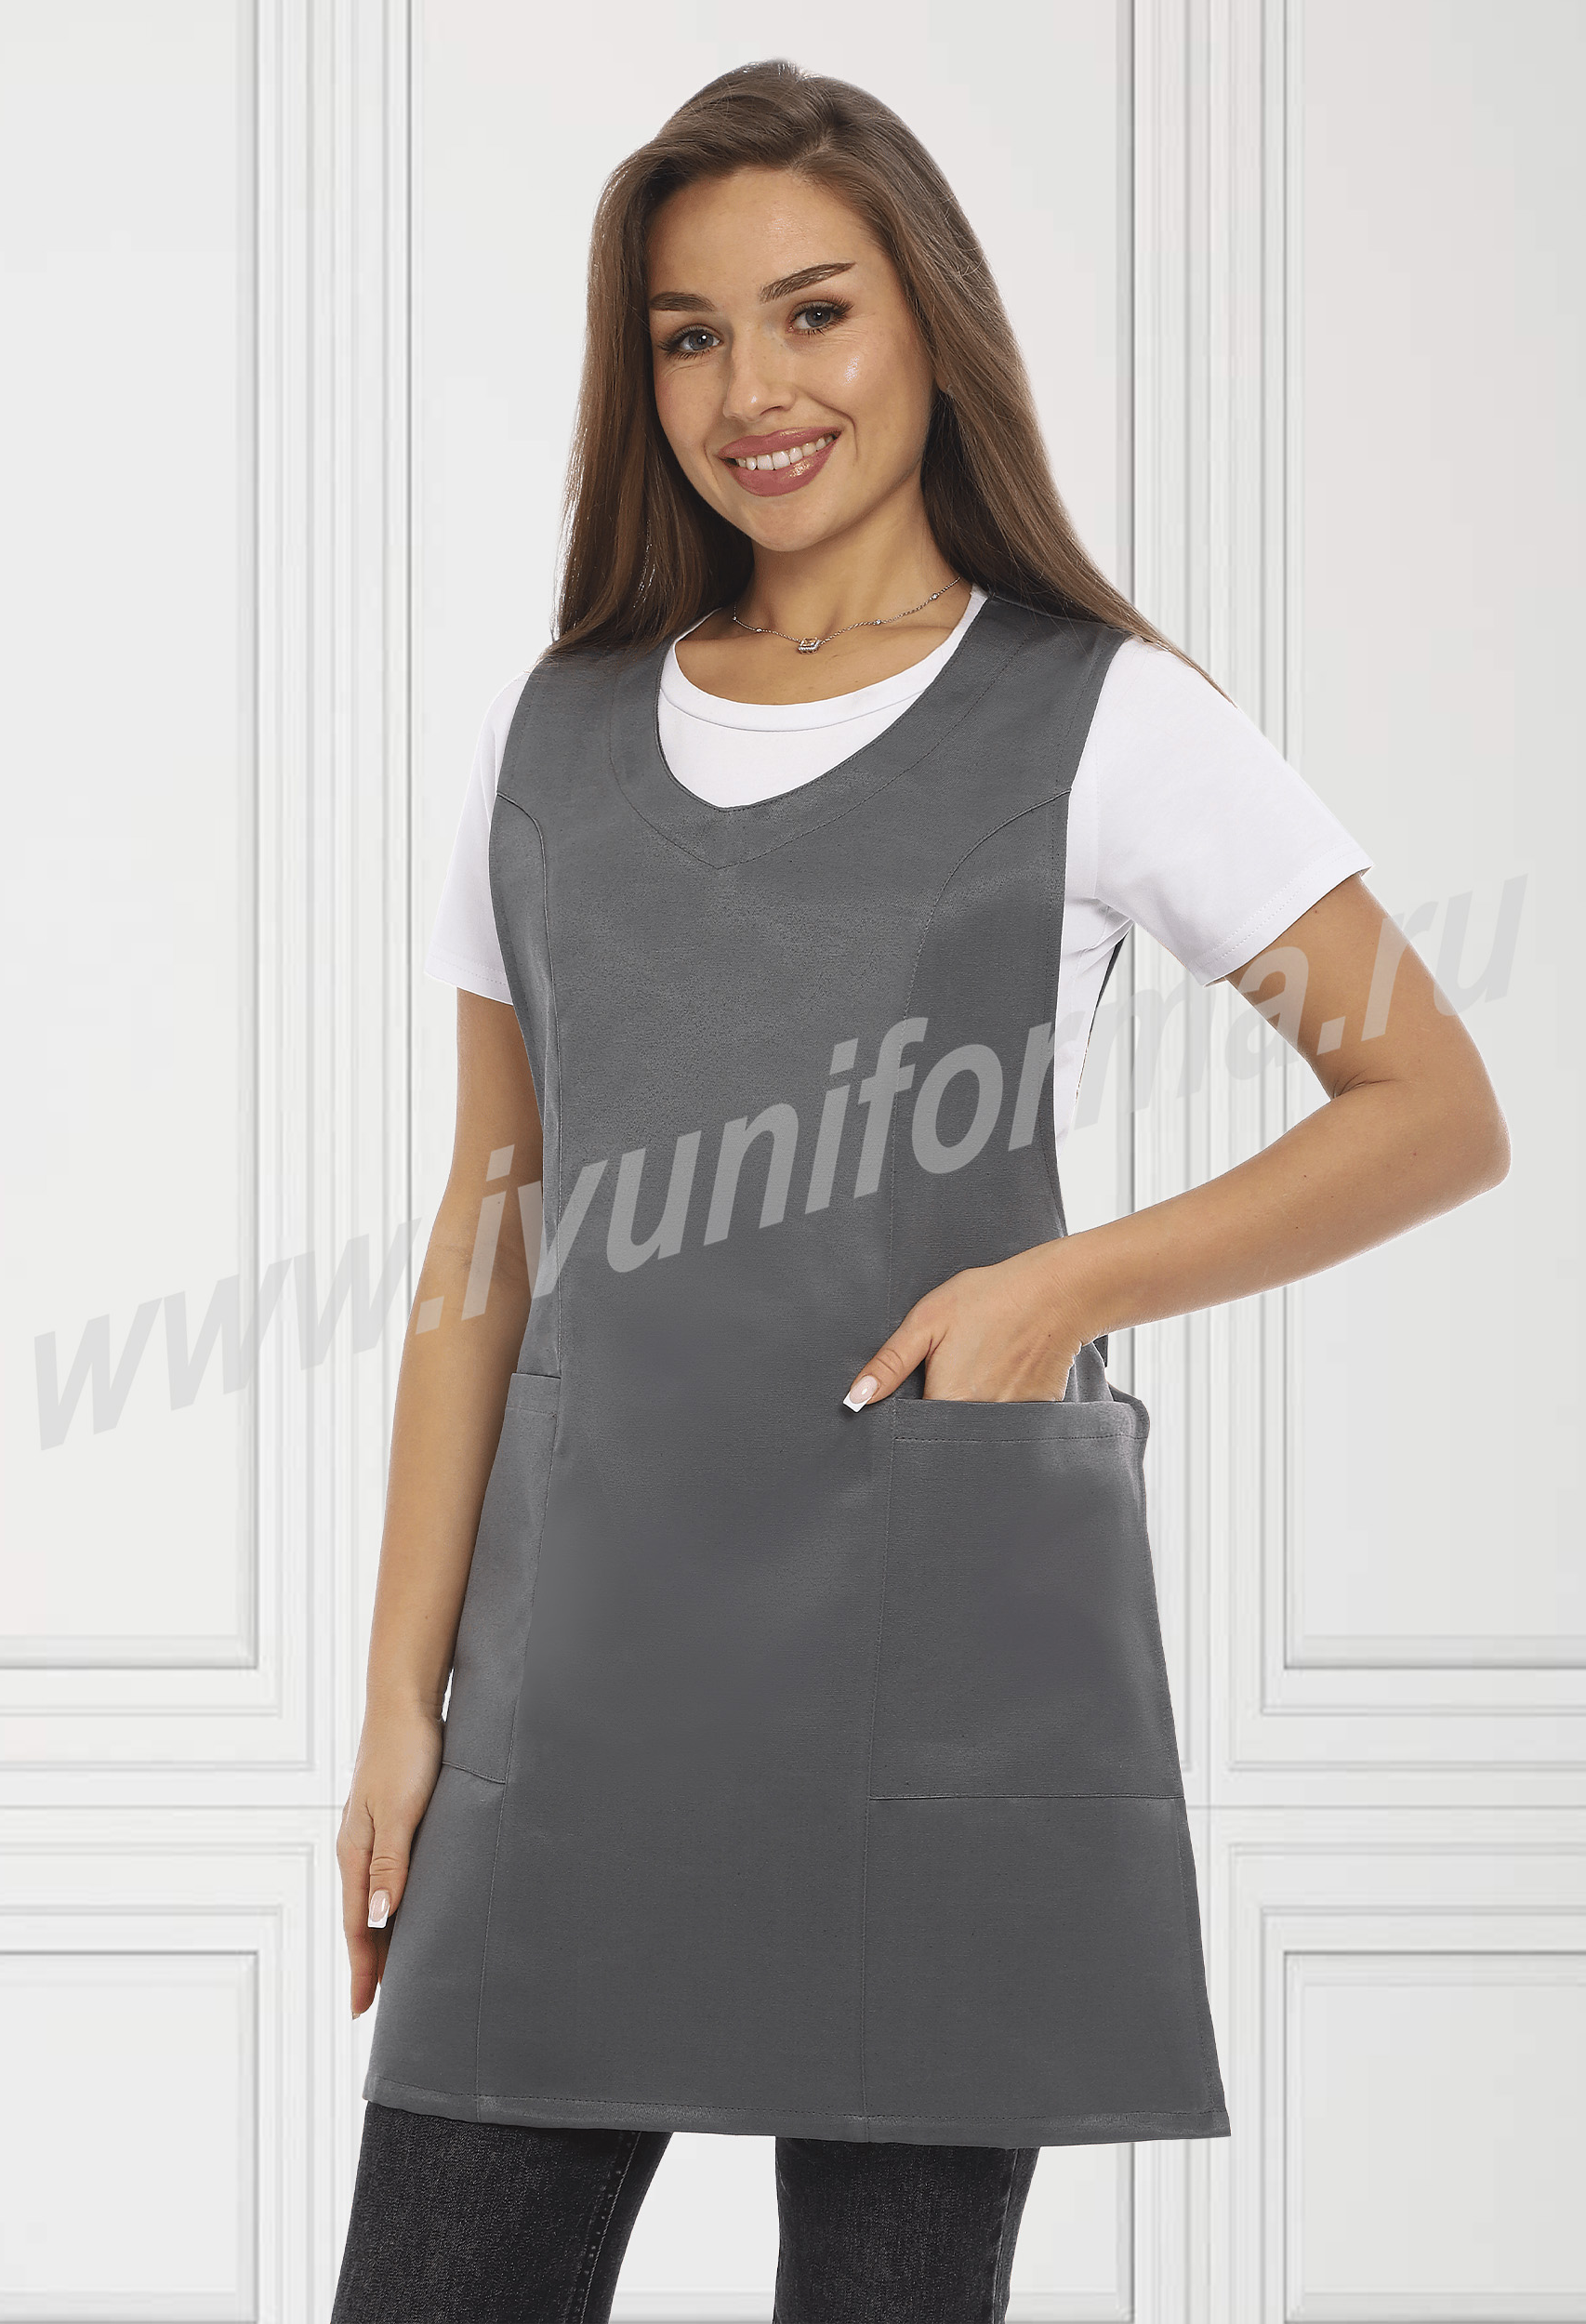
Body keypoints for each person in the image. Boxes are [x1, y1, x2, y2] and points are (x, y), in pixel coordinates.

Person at [331, 59, 1509, 2324]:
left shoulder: (1103, 716)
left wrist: (1063, 1282)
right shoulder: (547, 734)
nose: (752, 391)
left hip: (931, 1673)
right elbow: (485, 1247)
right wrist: (399, 1695)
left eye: (813, 313)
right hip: (577, 1691)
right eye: (688, 335)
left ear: (928, 324)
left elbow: (1430, 1100)